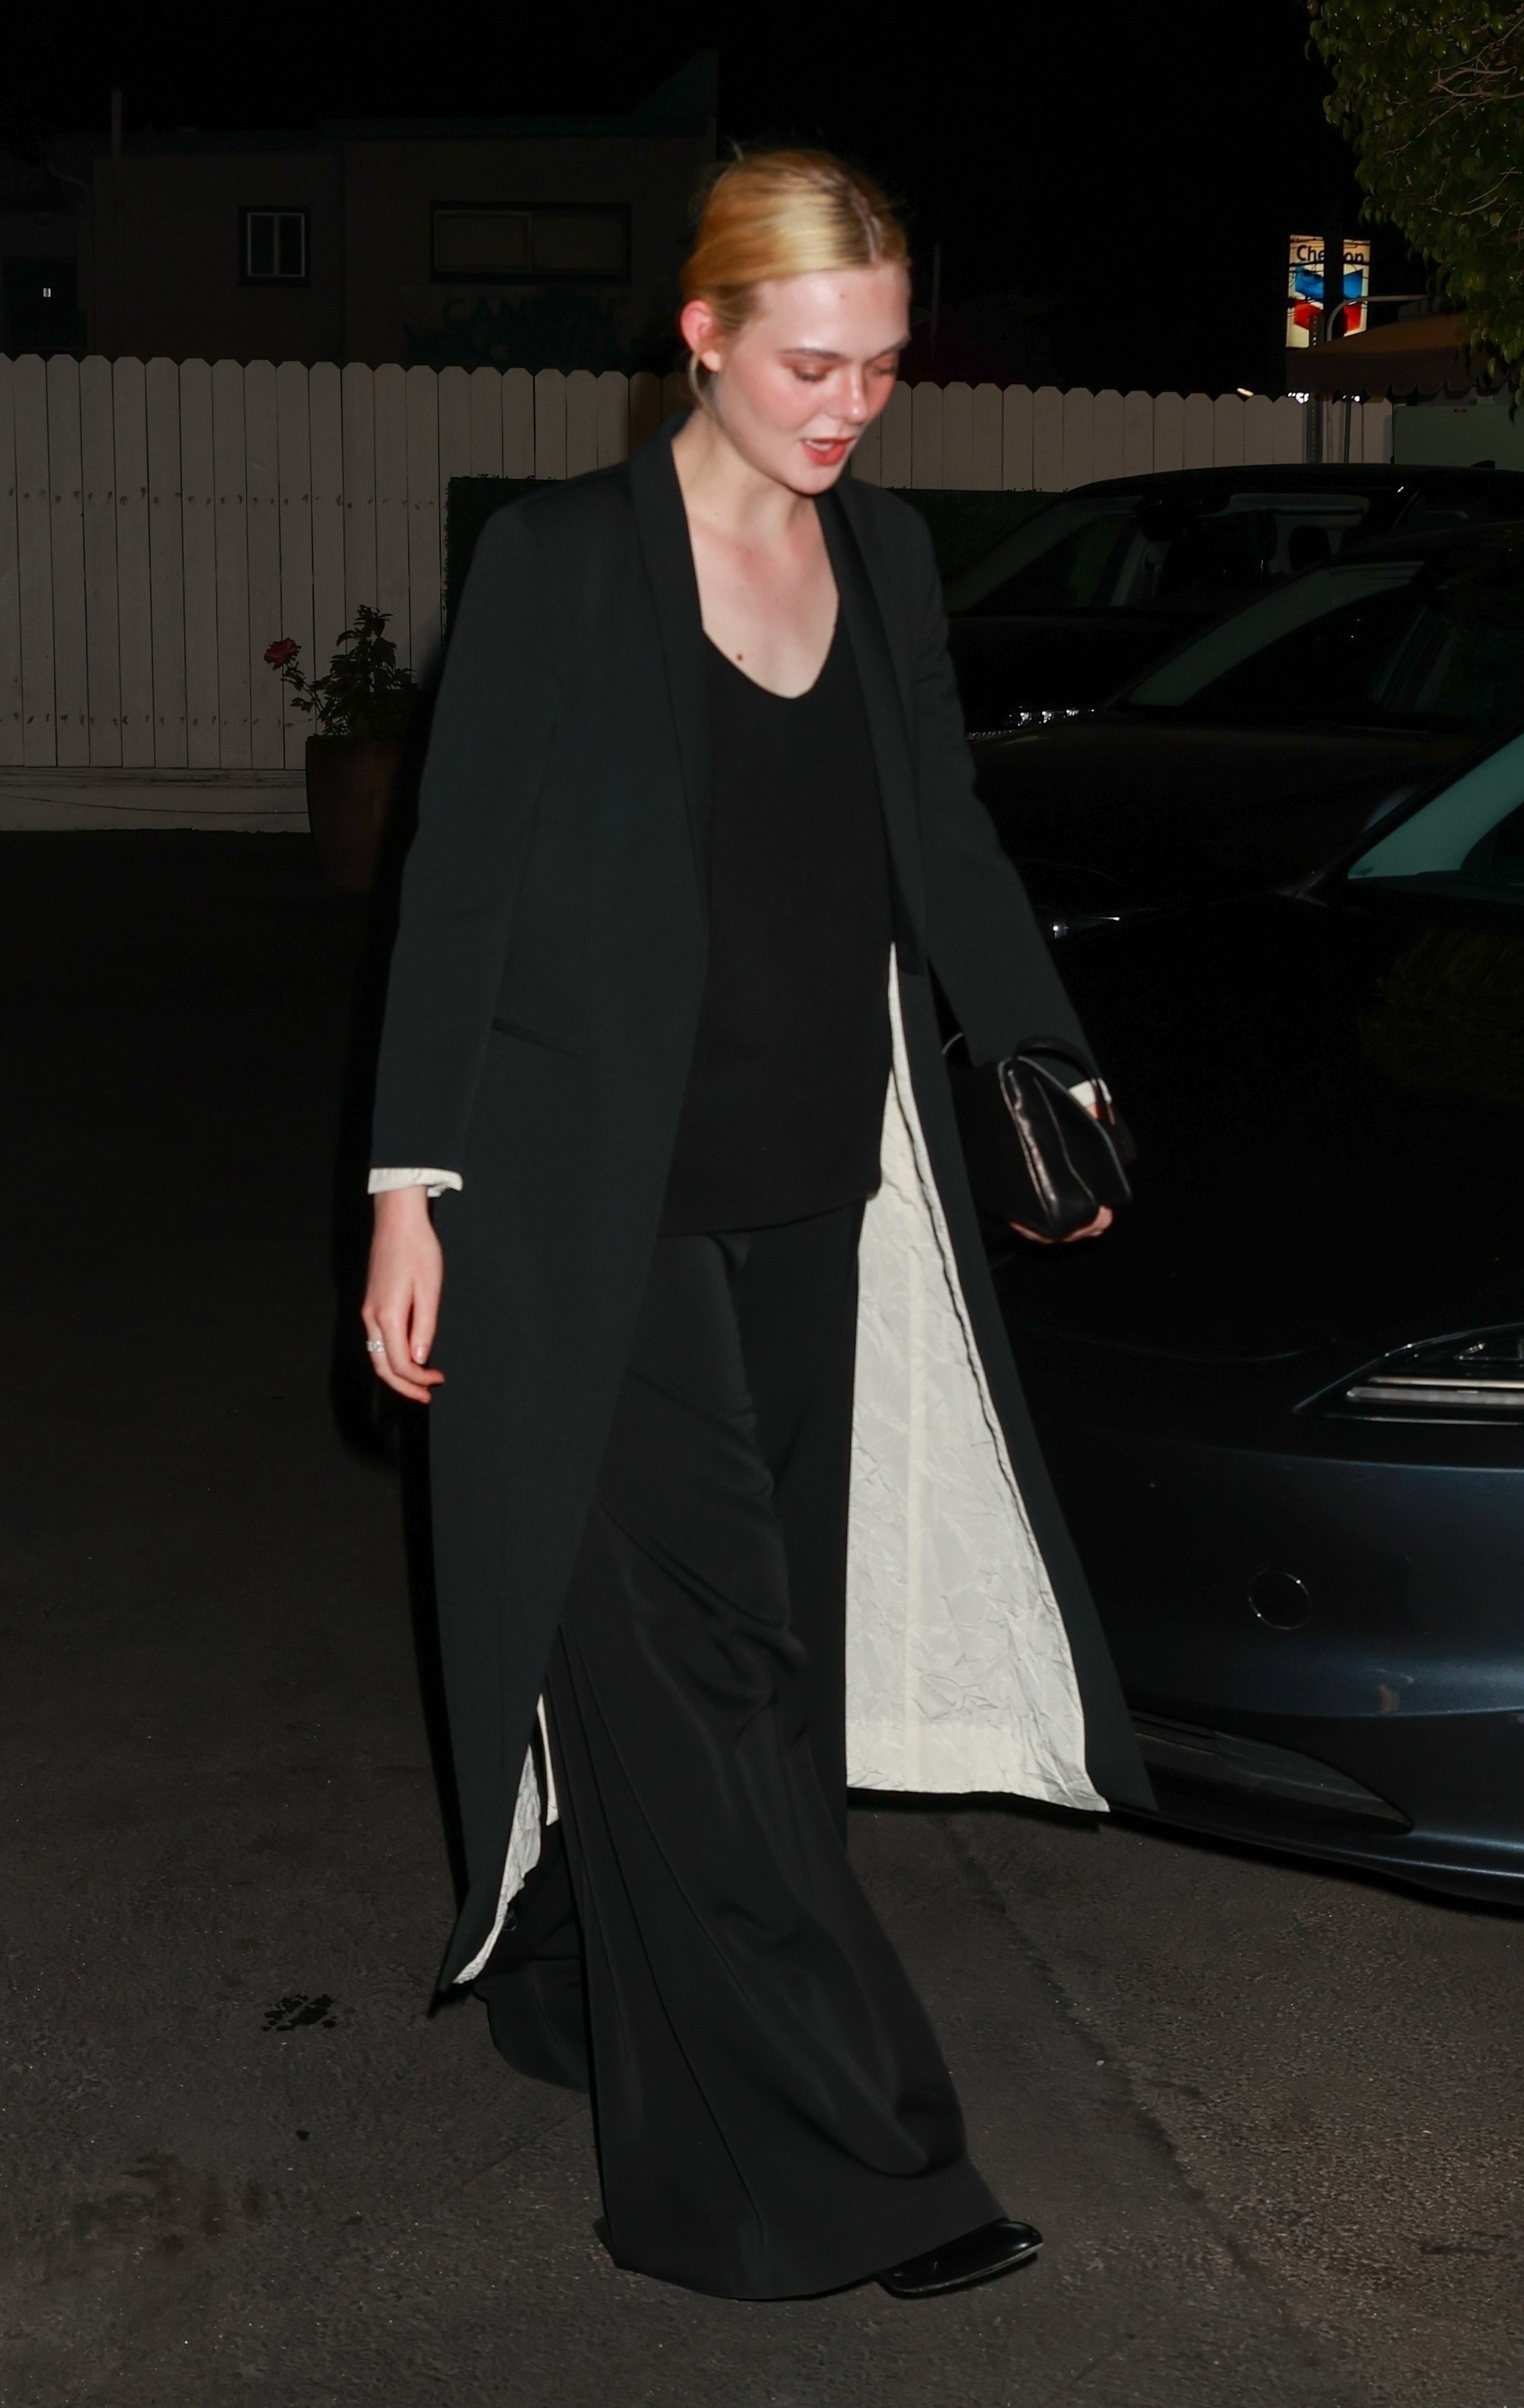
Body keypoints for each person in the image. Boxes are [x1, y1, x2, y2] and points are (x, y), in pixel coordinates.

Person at [362, 148, 1152, 2304]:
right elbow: (458, 886)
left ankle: (585, 1982)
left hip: (816, 1198)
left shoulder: (884, 557)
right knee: (710, 1686)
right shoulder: (560, 562)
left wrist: (1047, 1054)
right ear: (702, 336)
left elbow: (946, 838)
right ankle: (852, 2165)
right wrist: (410, 1186)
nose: (849, 407)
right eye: (813, 363)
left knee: (759, 1681)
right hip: (586, 1224)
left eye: (881, 367)